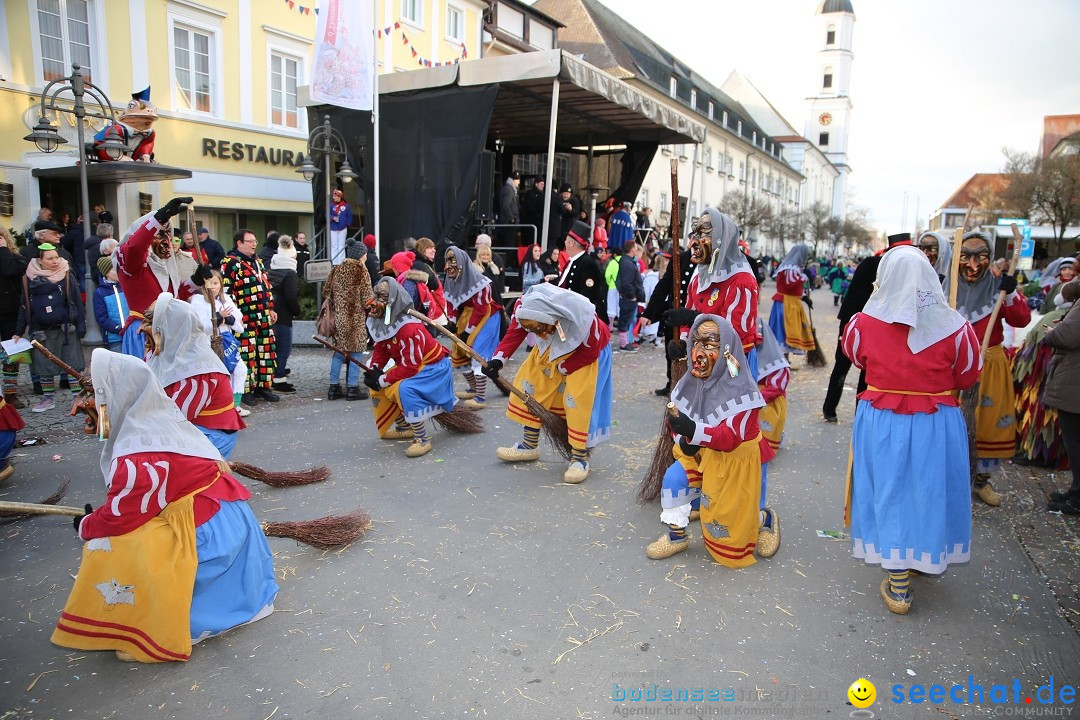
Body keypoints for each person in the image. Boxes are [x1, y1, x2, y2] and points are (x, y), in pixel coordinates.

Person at [52, 349, 277, 663]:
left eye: (93, 395)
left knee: (106, 544)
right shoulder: (163, 420)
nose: (82, 405)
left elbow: (121, 517)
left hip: (210, 532)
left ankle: (155, 621)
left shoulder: (139, 454)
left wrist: (87, 526)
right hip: (225, 519)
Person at [842, 246, 982, 614]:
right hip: (935, 422)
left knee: (888, 488)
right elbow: (968, 374)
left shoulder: (862, 323)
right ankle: (918, 558)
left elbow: (856, 357)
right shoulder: (956, 327)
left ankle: (900, 575)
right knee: (927, 489)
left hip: (883, 420)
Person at [645, 314, 773, 566]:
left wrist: (693, 430)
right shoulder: (691, 383)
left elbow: (730, 438)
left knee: (729, 533)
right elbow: (678, 423)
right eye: (697, 343)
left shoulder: (744, 393)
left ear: (726, 351)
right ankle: (676, 536)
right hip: (702, 454)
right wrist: (683, 436)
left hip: (732, 461)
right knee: (673, 478)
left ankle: (762, 520)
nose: (700, 352)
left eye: (711, 345)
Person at [484, 283, 612, 484]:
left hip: (585, 355)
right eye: (534, 330)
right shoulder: (525, 307)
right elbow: (516, 331)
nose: (539, 335)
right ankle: (529, 445)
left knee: (577, 398)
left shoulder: (585, 319)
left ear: (553, 319)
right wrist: (498, 359)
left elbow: (590, 351)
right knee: (531, 383)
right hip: (553, 348)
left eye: (540, 329)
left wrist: (563, 368)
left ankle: (580, 457)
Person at [955, 231, 1030, 507]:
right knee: (951, 426)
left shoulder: (999, 286)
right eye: (965, 257)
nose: (973, 265)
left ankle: (981, 482)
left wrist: (1010, 293)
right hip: (953, 367)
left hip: (990, 365)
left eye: (981, 257)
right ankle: (953, 482)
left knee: (988, 425)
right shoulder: (946, 285)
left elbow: (1021, 319)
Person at [822, 233, 914, 422]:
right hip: (865, 323)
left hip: (859, 322)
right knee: (859, 370)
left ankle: (832, 410)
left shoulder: (875, 264)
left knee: (849, 368)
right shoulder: (883, 267)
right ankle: (855, 413)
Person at [363, 278, 459, 458]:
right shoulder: (386, 322)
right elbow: (382, 348)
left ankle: (422, 439)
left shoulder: (409, 330)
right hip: (413, 366)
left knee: (404, 389)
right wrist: (375, 369)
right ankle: (403, 425)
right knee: (378, 388)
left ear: (392, 301)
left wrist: (383, 379)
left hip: (433, 368)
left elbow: (410, 368)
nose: (375, 301)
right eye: (375, 295)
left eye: (381, 296)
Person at [146, 292, 245, 459]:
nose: (142, 328)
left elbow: (175, 417)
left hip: (212, 436)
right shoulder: (167, 355)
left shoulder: (200, 368)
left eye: (151, 323)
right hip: (193, 428)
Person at [115, 198, 208, 359]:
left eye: (168, 234)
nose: (165, 239)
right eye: (159, 233)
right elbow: (136, 245)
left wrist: (195, 281)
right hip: (145, 333)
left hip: (169, 331)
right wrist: (161, 216)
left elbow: (173, 298)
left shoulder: (166, 267)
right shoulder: (131, 262)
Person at [13, 243, 85, 413]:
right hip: (41, 329)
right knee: (44, 366)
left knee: (72, 365)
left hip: (67, 328)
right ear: (40, 260)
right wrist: (18, 331)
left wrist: (81, 326)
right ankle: (48, 399)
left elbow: (76, 301)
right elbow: (24, 306)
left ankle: (77, 398)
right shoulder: (28, 278)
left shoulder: (67, 275)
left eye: (56, 257)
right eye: (50, 258)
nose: (55, 261)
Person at [1014, 273, 1074, 469]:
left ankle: (1036, 453)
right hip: (1062, 384)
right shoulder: (1065, 318)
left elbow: (1029, 355)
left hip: (1048, 381)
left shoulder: (1053, 319)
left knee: (1041, 415)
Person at [221, 229, 278, 405]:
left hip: (263, 317)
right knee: (246, 354)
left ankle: (263, 386)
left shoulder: (257, 263)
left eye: (255, 241)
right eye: (250, 241)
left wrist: (270, 307)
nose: (254, 244)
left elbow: (266, 288)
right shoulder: (230, 263)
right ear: (239, 243)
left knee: (266, 352)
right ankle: (245, 390)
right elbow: (226, 293)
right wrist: (233, 316)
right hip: (244, 319)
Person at [443, 246, 502, 409]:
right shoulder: (450, 279)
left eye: (453, 261)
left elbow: (481, 309)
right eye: (447, 260)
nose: (449, 265)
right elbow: (452, 303)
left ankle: (481, 398)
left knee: (477, 353)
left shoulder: (481, 283)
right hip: (467, 315)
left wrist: (467, 332)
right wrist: (452, 322)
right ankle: (474, 388)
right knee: (458, 350)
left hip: (487, 317)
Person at [189, 270, 249, 417]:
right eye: (210, 283)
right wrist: (218, 317)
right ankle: (222, 406)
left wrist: (229, 320)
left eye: (216, 283)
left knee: (240, 369)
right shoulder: (198, 301)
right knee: (220, 375)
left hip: (227, 342)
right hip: (208, 343)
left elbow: (240, 327)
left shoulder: (226, 299)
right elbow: (201, 327)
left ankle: (235, 404)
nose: (213, 287)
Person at [1043, 280, 1080, 513]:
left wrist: (1052, 333)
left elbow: (1066, 337)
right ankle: (1076, 492)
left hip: (1074, 383)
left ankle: (1077, 499)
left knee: (1075, 443)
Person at [324, 239, 374, 401]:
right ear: (360, 255)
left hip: (338, 318)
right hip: (355, 318)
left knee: (339, 352)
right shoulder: (361, 271)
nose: (366, 257)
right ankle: (352, 388)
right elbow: (368, 298)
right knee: (356, 352)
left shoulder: (336, 269)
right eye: (365, 254)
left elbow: (326, 292)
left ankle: (333, 388)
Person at [0, 227, 29, 409]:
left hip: (10, 312)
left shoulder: (15, 258)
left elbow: (11, 270)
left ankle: (11, 394)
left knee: (12, 354)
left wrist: (2, 251)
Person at [267, 235, 301, 394]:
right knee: (284, 349)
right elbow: (291, 297)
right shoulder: (290, 274)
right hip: (284, 315)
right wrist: (297, 311)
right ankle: (279, 378)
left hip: (272, 312)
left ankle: (272, 376)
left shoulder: (271, 268)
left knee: (274, 348)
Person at [768, 244, 814, 357]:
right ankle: (783, 357)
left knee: (787, 329)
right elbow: (790, 285)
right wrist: (804, 277)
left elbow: (794, 288)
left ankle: (785, 356)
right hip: (787, 304)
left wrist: (805, 298)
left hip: (791, 303)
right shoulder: (790, 268)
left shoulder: (793, 267)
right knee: (785, 330)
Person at [554, 221, 607, 319]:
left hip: (580, 319)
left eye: (566, 240)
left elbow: (587, 296)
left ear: (572, 243)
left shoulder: (587, 264)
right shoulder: (572, 261)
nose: (564, 242)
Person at [92, 256, 129, 353]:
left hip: (131, 334)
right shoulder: (99, 292)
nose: (118, 271)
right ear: (106, 273)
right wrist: (117, 328)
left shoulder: (126, 286)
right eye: (114, 269)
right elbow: (101, 317)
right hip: (114, 339)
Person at [615, 240, 645, 351]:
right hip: (629, 297)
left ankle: (626, 342)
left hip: (629, 296)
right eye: (636, 248)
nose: (637, 250)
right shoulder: (627, 263)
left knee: (627, 320)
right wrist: (632, 295)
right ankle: (624, 344)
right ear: (632, 249)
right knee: (625, 320)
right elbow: (626, 283)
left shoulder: (627, 261)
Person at [498, 170, 521, 250]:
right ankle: (508, 261)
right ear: (513, 180)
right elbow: (505, 205)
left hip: (511, 223)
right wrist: (511, 218)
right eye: (518, 180)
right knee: (509, 245)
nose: (519, 182)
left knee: (511, 244)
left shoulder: (511, 190)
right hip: (509, 223)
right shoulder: (508, 190)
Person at [329, 188, 351, 265]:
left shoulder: (346, 206)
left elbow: (349, 216)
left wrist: (347, 224)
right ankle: (334, 262)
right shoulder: (331, 205)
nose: (333, 197)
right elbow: (327, 214)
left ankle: (341, 262)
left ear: (339, 196)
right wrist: (332, 217)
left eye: (335, 196)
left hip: (343, 228)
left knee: (341, 245)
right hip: (333, 227)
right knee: (334, 245)